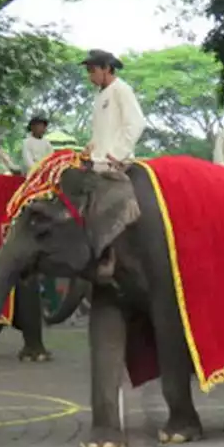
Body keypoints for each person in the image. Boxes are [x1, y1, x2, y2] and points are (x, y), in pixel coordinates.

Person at [80, 49, 146, 280]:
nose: (90, 76)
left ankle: (110, 255)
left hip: (115, 164)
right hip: (98, 162)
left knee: (107, 209)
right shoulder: (101, 96)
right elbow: (101, 132)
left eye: (93, 70)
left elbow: (136, 124)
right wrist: (90, 147)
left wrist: (115, 153)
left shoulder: (122, 90)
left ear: (107, 68)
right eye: (89, 71)